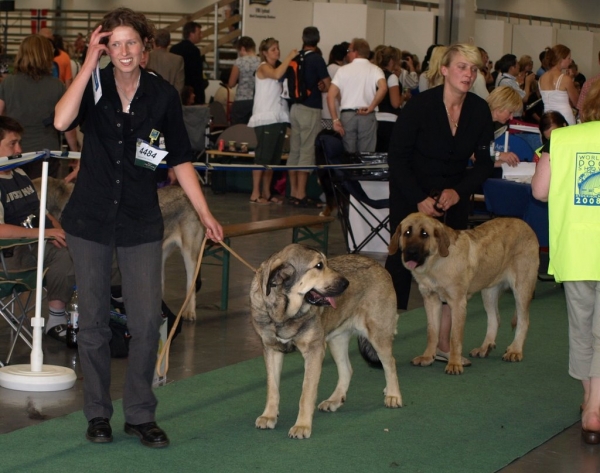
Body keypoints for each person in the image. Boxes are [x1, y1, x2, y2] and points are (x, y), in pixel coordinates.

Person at [53, 8, 223, 448]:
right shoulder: (93, 84)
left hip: (140, 222)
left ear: (145, 48)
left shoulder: (163, 96)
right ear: (105, 47)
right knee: (91, 324)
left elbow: (180, 158)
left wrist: (205, 213)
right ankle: (97, 415)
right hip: (89, 220)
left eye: (132, 43)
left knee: (147, 322)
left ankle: (140, 414)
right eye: (115, 44)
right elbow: (59, 121)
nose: (124, 52)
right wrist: (89, 62)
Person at [384, 43, 494, 365]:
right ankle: (379, 333)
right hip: (411, 194)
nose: (468, 74)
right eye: (462, 67)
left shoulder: (479, 110)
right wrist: (419, 198)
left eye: (473, 69)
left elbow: (485, 163)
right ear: (444, 70)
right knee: (400, 265)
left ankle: (444, 343)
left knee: (452, 273)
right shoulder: (419, 107)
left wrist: (459, 192)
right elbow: (397, 158)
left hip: (453, 198)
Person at [531, 79, 600, 445]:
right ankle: (595, 410)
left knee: (582, 326)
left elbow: (539, 192)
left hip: (575, 250)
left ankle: (589, 397)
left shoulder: (561, 139)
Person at [0, 116, 75, 343]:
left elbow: (40, 212)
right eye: (12, 144)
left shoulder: (20, 174)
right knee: (66, 253)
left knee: (82, 245)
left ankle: (112, 307)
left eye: (19, 143)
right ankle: (56, 319)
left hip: (34, 244)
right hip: (10, 256)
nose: (19, 149)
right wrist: (45, 234)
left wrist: (58, 230)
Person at [0, 34, 79, 179]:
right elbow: (68, 126)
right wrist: (75, 152)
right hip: (46, 153)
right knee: (44, 198)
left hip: (14, 152)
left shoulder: (8, 83)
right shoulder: (57, 86)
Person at [247, 38, 296, 205]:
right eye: (273, 49)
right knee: (263, 156)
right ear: (265, 53)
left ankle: (267, 192)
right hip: (266, 117)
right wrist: (290, 56)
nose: (277, 51)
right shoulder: (263, 68)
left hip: (279, 115)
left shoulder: (278, 67)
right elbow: (276, 75)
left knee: (273, 159)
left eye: (278, 48)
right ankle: (255, 193)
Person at [287, 26, 330, 207]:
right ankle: (302, 193)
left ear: (303, 39)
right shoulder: (317, 59)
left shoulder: (295, 58)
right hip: (310, 108)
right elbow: (327, 85)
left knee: (294, 150)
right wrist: (321, 85)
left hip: (294, 108)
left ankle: (293, 192)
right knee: (306, 151)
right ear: (317, 40)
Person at [327, 38, 387, 153]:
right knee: (366, 155)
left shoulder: (343, 70)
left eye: (349, 50)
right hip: (367, 114)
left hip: (347, 116)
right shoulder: (375, 69)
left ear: (355, 52)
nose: (347, 53)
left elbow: (330, 95)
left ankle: (350, 171)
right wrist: (371, 106)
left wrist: (335, 120)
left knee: (348, 156)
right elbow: (383, 88)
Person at [538, 44, 579, 125]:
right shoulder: (565, 79)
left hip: (548, 119)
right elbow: (577, 102)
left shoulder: (541, 78)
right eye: (568, 58)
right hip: (565, 117)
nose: (570, 61)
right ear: (561, 59)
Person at [486, 85, 524, 169]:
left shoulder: (490, 124)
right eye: (510, 112)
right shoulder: (478, 120)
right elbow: (472, 154)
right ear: (500, 106)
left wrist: (506, 162)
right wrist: (500, 155)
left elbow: (484, 160)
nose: (511, 117)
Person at [170, 21, 206, 104]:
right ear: (191, 34)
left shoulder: (174, 49)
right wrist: (200, 96)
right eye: (199, 33)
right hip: (191, 90)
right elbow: (197, 75)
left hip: (176, 88)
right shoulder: (194, 51)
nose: (201, 35)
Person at [374, 46, 402, 153]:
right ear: (392, 61)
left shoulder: (375, 75)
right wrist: (403, 97)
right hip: (389, 120)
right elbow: (395, 103)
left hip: (374, 119)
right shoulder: (391, 77)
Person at [228, 36, 260, 125]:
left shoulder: (239, 61)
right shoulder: (261, 61)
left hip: (241, 101)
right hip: (257, 100)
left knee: (238, 131)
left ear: (242, 48)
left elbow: (231, 83)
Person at [146, 28, 185, 96]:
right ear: (169, 42)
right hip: (171, 102)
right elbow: (179, 86)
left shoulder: (146, 57)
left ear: (153, 42)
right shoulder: (178, 60)